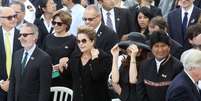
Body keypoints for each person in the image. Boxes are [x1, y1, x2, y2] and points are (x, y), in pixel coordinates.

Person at [60, 26, 111, 101]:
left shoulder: (103, 57)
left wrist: (94, 60)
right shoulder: (75, 56)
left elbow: (96, 76)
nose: (81, 44)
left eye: (84, 41)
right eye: (78, 41)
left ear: (92, 41)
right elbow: (70, 79)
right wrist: (62, 68)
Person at [7, 23, 52, 101]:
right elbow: (12, 83)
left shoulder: (44, 58)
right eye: (20, 35)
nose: (20, 38)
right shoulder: (17, 54)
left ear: (35, 36)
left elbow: (44, 89)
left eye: (24, 35)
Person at [137, 31, 183, 101]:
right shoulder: (145, 65)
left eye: (163, 46)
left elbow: (177, 93)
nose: (160, 50)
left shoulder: (177, 66)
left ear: (169, 47)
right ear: (151, 48)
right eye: (156, 46)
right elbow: (141, 90)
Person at [111, 32, 150, 101]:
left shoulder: (146, 64)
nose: (129, 48)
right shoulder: (125, 62)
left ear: (141, 49)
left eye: (133, 46)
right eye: (129, 46)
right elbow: (115, 80)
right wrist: (115, 56)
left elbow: (133, 80)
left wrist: (133, 56)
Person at [42, 10, 76, 88]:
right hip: (48, 78)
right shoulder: (48, 38)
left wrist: (66, 63)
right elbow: (41, 56)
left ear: (66, 25)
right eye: (54, 23)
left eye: (59, 23)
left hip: (65, 80)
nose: (56, 25)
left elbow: (76, 60)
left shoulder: (73, 40)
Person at [0, 7, 22, 101]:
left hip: (19, 87)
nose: (13, 19)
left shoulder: (23, 36)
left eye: (14, 16)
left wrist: (13, 82)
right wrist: (1, 82)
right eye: (9, 17)